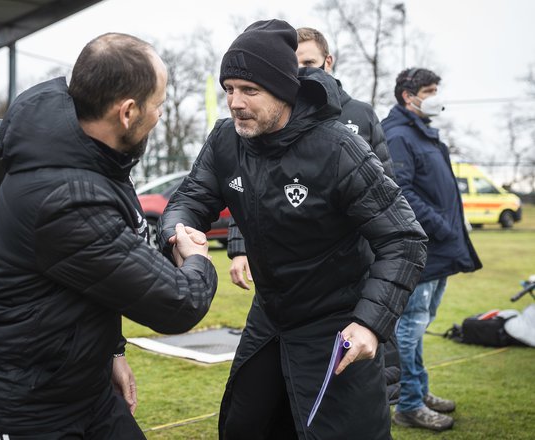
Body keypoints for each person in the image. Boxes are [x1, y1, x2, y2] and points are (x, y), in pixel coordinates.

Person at [158, 19, 428, 439]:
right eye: (229, 89)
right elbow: (189, 199)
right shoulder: (226, 140)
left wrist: (370, 323)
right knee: (245, 427)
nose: (235, 102)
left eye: (250, 90)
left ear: (283, 90)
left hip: (337, 325)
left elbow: (404, 240)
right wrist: (179, 230)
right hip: (270, 317)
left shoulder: (338, 148)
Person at [0, 33, 218, 440]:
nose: (161, 115)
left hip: (79, 390)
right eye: (159, 104)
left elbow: (95, 279)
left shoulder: (90, 159)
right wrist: (197, 257)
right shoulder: (68, 200)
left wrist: (111, 350)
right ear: (127, 112)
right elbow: (178, 304)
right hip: (23, 408)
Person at [226, 25, 402, 404]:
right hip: (288, 289)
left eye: (308, 63)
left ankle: (389, 398)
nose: (302, 72)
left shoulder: (358, 116)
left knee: (361, 372)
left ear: (327, 61)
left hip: (351, 271)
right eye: (294, 65)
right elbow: (252, 189)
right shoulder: (262, 125)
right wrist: (240, 245)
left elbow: (388, 197)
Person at [382, 67, 482, 431]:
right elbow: (402, 193)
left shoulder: (422, 132)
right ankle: (407, 404)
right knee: (410, 327)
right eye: (430, 90)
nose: (436, 95)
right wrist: (442, 227)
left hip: (439, 249)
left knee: (420, 325)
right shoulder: (397, 135)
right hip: (421, 249)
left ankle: (418, 390)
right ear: (409, 96)